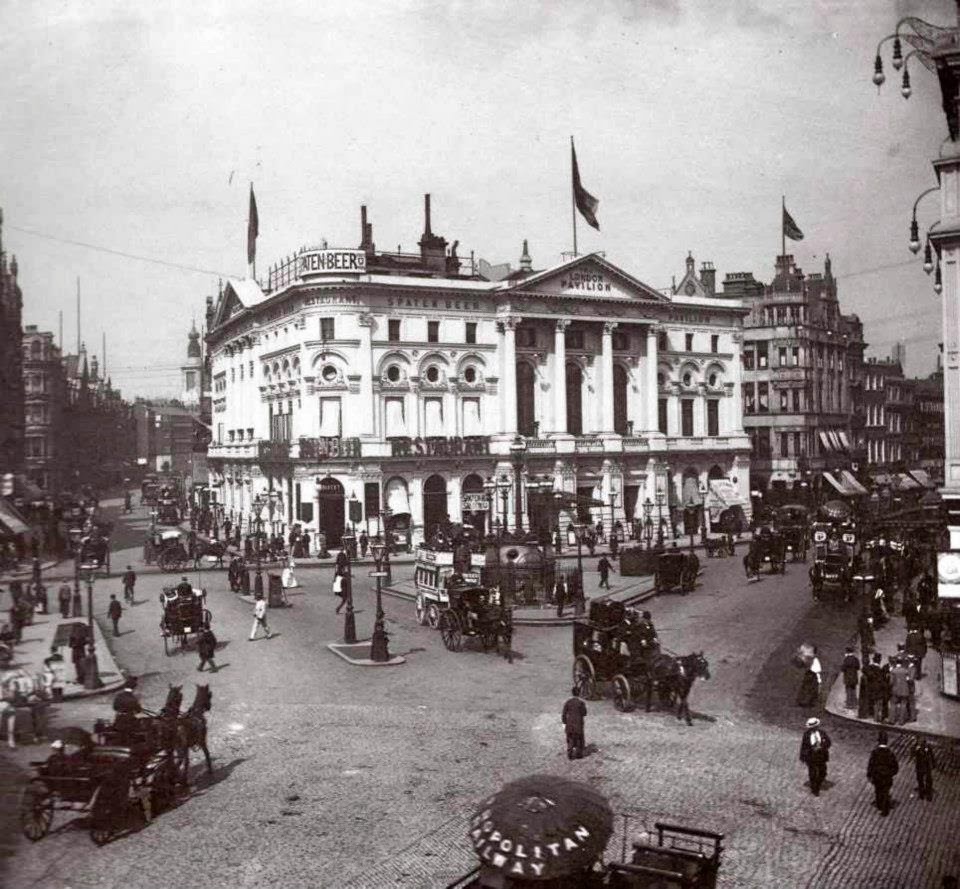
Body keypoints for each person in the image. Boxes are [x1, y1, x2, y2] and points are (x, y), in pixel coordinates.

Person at [866, 731, 899, 816]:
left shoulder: (875, 752)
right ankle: (884, 809)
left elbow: (871, 764)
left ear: (879, 741)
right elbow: (895, 767)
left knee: (878, 790)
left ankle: (879, 804)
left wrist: (869, 775)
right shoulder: (890, 753)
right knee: (885, 791)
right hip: (887, 777)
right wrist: (890, 773)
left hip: (877, 776)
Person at [799, 716, 831, 796]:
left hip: (821, 756)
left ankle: (818, 783)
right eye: (812, 727)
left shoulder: (822, 733)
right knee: (812, 773)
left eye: (815, 727)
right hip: (811, 756)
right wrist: (803, 756)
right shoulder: (806, 735)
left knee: (823, 772)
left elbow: (828, 742)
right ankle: (815, 789)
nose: (814, 728)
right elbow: (804, 746)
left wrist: (822, 746)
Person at [561, 687, 587, 760]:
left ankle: (570, 752)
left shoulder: (568, 702)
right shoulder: (581, 703)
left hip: (569, 724)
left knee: (570, 738)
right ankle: (578, 754)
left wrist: (564, 722)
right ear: (579, 693)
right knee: (579, 739)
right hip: (578, 724)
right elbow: (584, 713)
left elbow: (564, 713)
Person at [890, 657, 911, 726]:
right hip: (904, 690)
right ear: (902, 663)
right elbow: (908, 680)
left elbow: (891, 682)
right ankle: (901, 721)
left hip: (895, 690)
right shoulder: (906, 671)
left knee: (893, 704)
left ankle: (892, 720)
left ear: (896, 662)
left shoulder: (893, 671)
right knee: (903, 705)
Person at [841, 647, 860, 711]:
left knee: (848, 690)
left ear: (847, 652)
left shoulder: (846, 659)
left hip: (848, 677)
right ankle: (854, 703)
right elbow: (858, 667)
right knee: (853, 690)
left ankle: (849, 704)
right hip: (854, 677)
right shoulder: (855, 659)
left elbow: (843, 669)